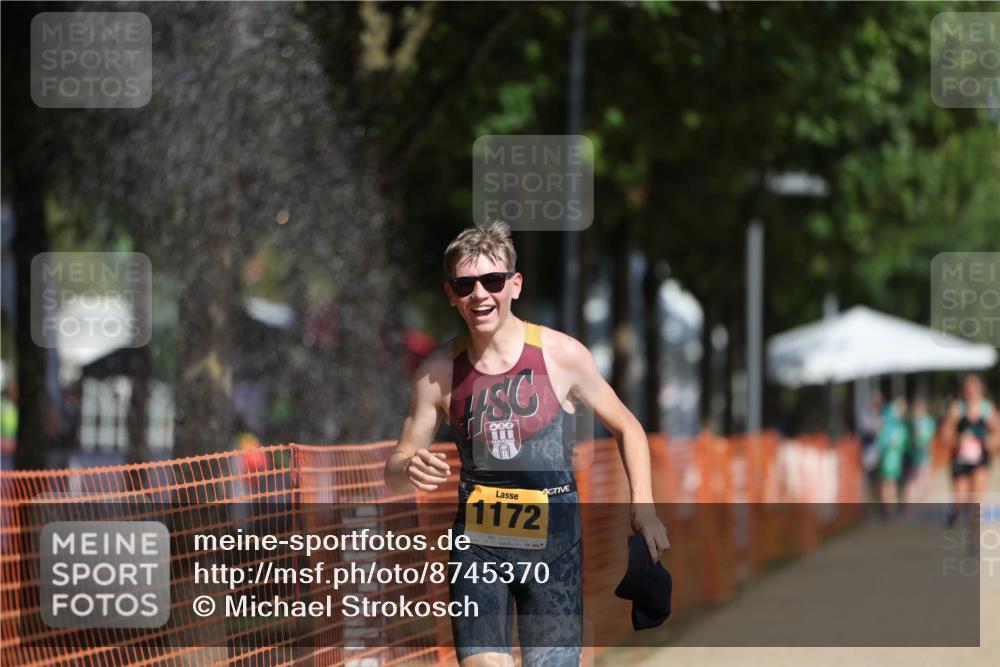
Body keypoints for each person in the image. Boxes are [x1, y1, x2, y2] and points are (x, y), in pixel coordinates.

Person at [384, 221, 669, 667]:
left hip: (556, 544)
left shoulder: (562, 354)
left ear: (514, 285)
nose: (480, 294)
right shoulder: (436, 372)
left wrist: (644, 507)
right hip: (477, 544)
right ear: (451, 293)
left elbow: (628, 428)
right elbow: (396, 469)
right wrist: (406, 468)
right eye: (466, 284)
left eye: (492, 281)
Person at [941, 374, 999, 527]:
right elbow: (946, 433)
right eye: (968, 390)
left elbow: (997, 432)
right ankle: (954, 514)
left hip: (981, 459)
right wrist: (957, 440)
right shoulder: (957, 408)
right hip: (961, 459)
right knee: (960, 498)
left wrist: (990, 442)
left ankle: (973, 534)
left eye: (974, 390)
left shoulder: (987, 409)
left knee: (976, 497)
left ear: (981, 390)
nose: (971, 393)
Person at [877, 396, 909, 505]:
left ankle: (890, 505)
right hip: (892, 458)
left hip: (890, 459)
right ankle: (890, 505)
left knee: (889, 483)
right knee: (890, 483)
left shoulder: (892, 425)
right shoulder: (896, 425)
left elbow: (882, 442)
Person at [903, 397, 936, 503]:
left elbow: (931, 439)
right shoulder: (910, 423)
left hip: (925, 456)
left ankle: (922, 502)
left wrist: (927, 447)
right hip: (913, 456)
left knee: (924, 480)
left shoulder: (929, 421)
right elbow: (908, 439)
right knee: (910, 480)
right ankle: (909, 504)